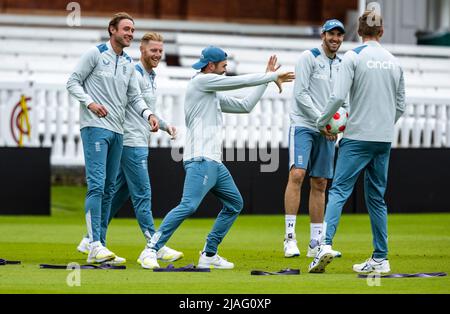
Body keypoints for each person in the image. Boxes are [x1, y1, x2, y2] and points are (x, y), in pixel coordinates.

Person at [139, 46, 295, 269]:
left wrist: (266, 81)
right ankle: (151, 249)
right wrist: (270, 75)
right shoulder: (200, 82)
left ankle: (209, 253)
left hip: (213, 161)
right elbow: (238, 83)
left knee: (234, 203)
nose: (225, 70)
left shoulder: (210, 92)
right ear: (210, 66)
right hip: (200, 158)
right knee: (189, 205)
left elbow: (245, 105)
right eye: (223, 66)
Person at [308, 11, 405, 274]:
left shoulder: (353, 56)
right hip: (382, 139)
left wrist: (321, 121)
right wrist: (383, 125)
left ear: (359, 32)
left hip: (356, 136)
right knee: (376, 199)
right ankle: (381, 258)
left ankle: (325, 245)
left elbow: (338, 96)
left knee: (339, 191)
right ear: (381, 32)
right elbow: (401, 106)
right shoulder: (394, 61)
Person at [76, 32, 183, 268]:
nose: (157, 54)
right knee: (142, 193)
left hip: (137, 139)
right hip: (130, 141)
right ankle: (154, 244)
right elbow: (128, 103)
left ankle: (89, 239)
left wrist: (163, 125)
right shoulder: (132, 71)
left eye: (160, 50)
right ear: (142, 51)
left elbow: (142, 106)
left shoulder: (149, 76)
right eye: (153, 50)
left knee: (117, 195)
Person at [67, 12, 159, 264]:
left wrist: (149, 115)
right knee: (97, 185)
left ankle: (99, 246)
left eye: (132, 30)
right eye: (126, 29)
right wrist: (90, 103)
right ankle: (94, 244)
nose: (130, 33)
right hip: (95, 127)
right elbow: (72, 82)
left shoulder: (129, 62)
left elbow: (134, 97)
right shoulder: (95, 54)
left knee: (108, 189)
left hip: (119, 131)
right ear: (112, 30)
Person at [283, 19, 346, 258]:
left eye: (339, 35)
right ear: (323, 35)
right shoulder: (308, 57)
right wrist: (322, 122)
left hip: (328, 129)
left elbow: (344, 97)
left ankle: (316, 244)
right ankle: (289, 238)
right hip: (304, 124)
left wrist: (340, 124)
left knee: (320, 183)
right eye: (332, 34)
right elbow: (300, 94)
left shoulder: (343, 63)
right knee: (297, 174)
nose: (335, 38)